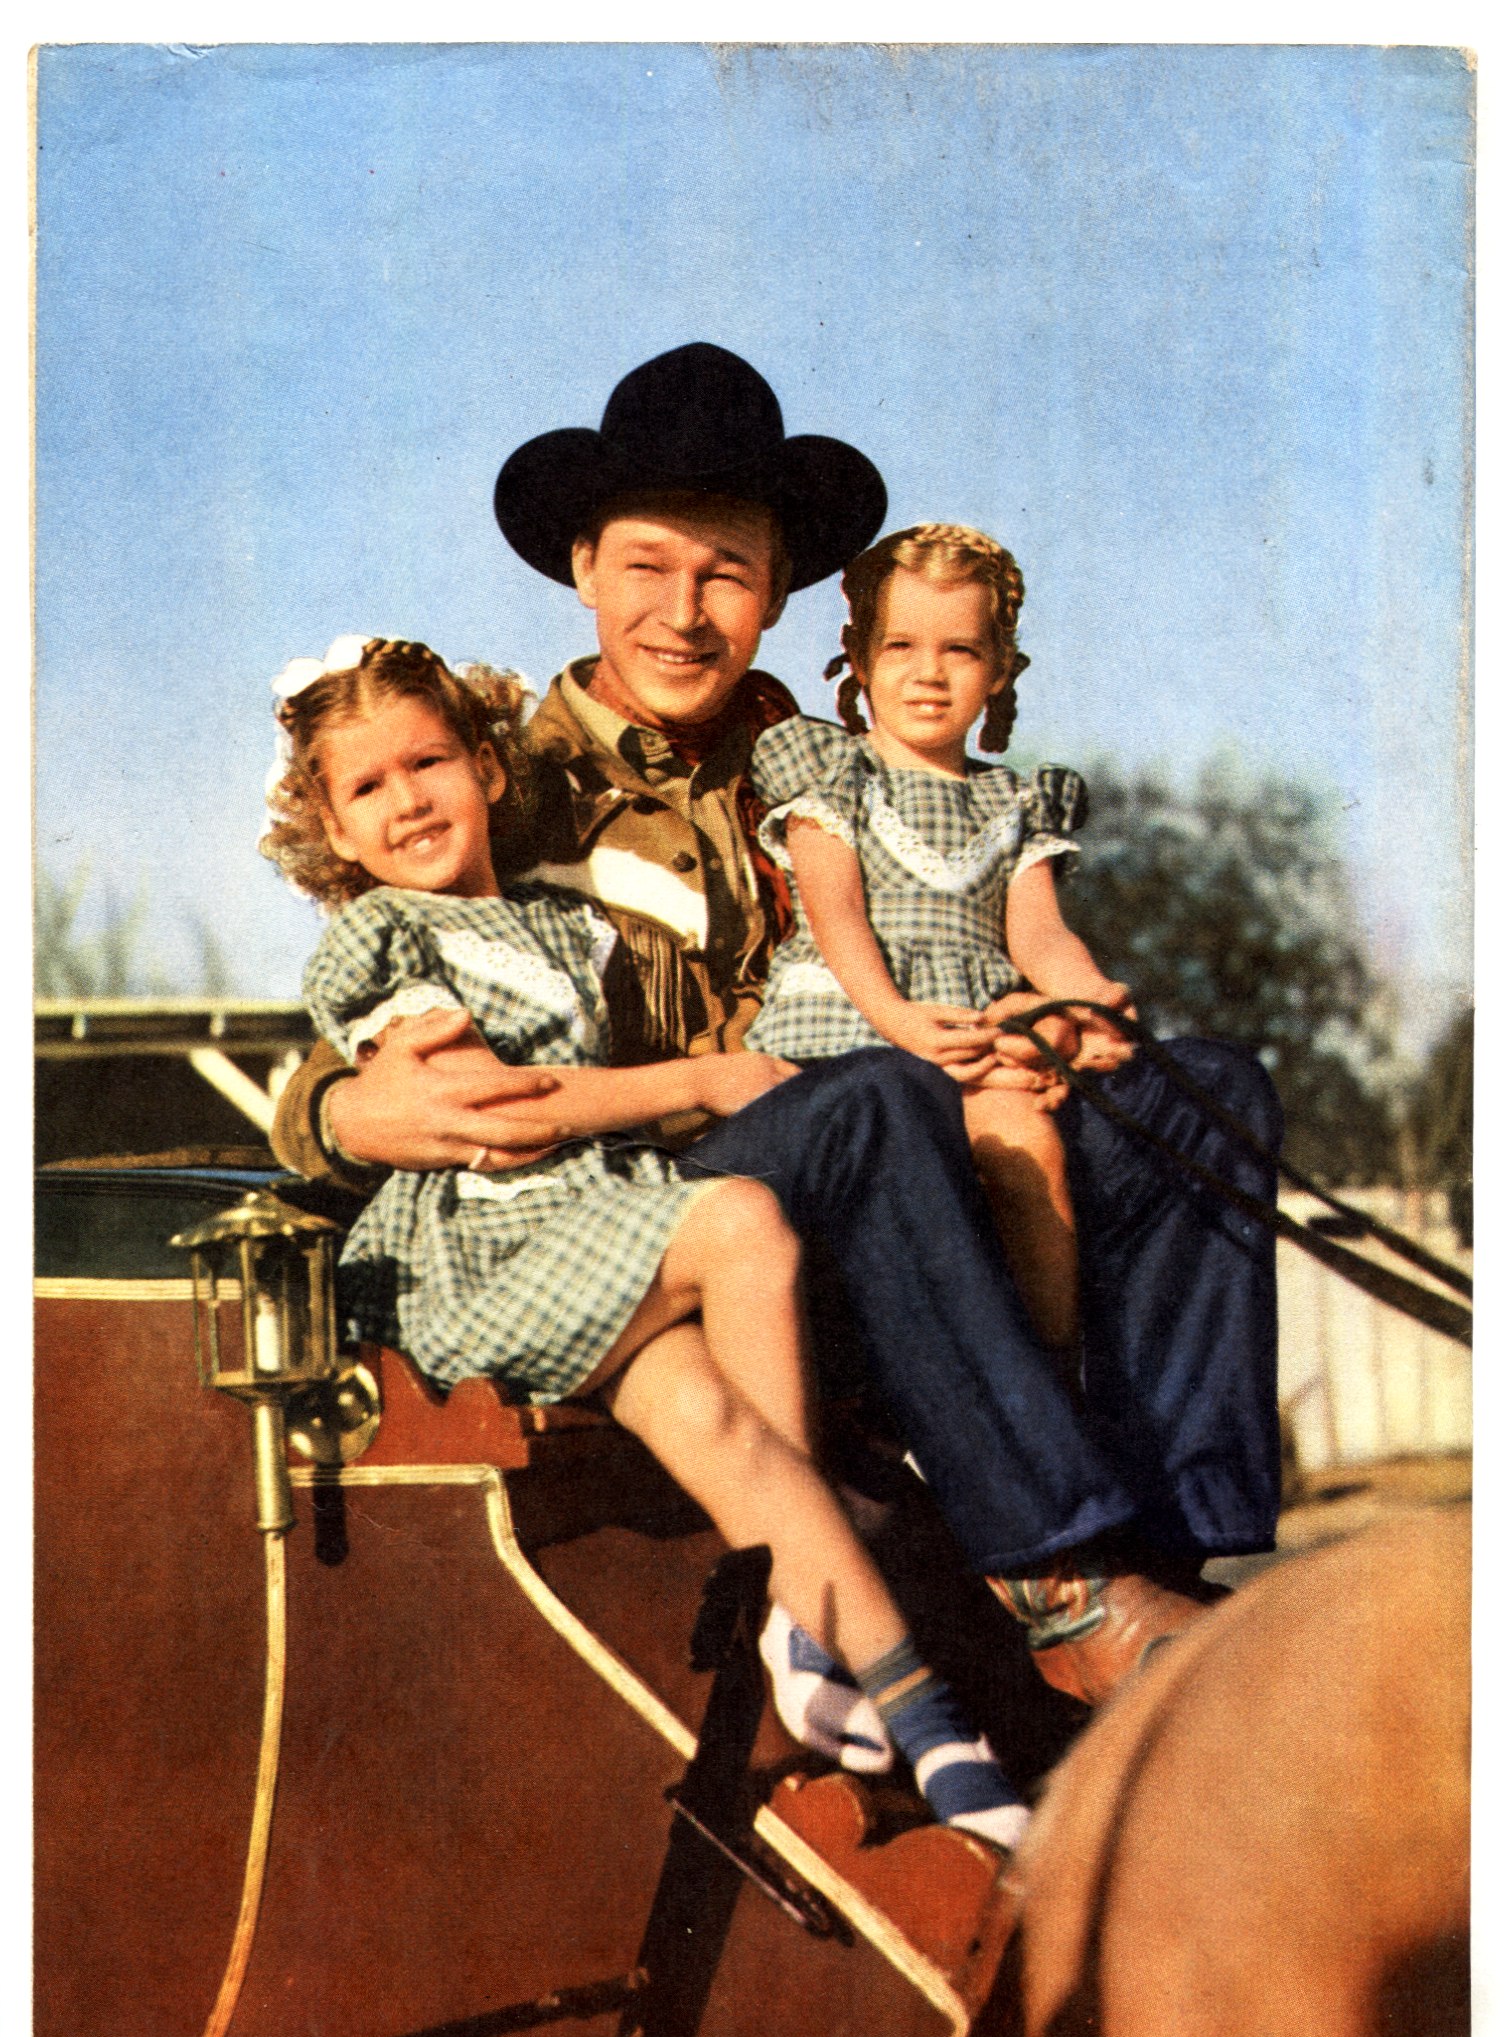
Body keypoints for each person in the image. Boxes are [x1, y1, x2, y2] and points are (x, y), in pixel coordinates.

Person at [271, 343, 1283, 1713]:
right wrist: (338, 1109)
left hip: (901, 1159)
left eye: (727, 573)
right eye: (647, 566)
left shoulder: (837, 767)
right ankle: (1059, 1577)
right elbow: (356, 1017)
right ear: (583, 566)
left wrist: (1039, 1017)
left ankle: (1176, 1545)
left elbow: (954, 932)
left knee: (1193, 1087)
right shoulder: (487, 783)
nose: (684, 613)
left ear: (782, 589)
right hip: (664, 1200)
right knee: (870, 1102)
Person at [261, 631, 1032, 1847]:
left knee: (719, 1425)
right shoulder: (385, 939)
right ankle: (799, 1608)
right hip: (489, 1248)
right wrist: (706, 1078)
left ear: (487, 769)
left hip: (592, 1231)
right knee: (740, 1222)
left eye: (430, 762)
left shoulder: (567, 930)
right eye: (368, 786)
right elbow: (492, 1113)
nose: (407, 800)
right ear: (335, 830)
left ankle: (940, 1746)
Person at [745, 522, 1132, 1373]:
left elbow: (1038, 931)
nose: (929, 672)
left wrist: (1090, 998)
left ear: (1000, 670)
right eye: (901, 646)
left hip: (969, 1035)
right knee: (908, 1152)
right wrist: (898, 1019)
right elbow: (837, 916)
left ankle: (1050, 1379)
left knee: (1027, 1146)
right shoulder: (832, 774)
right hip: (854, 1024)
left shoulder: (1013, 800)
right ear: (857, 657)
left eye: (960, 649)